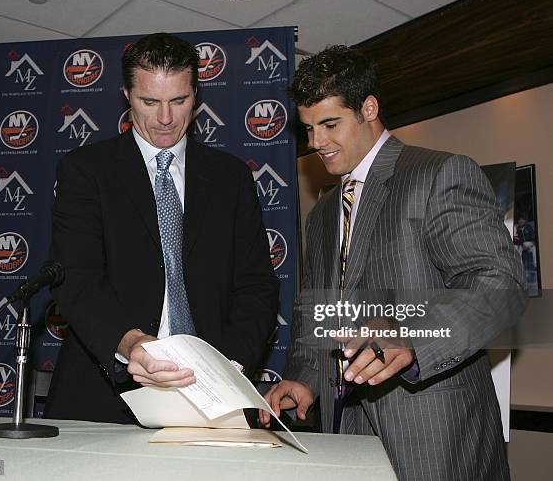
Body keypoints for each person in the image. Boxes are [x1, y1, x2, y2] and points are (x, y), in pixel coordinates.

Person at [260, 45, 526, 481]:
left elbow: (500, 284)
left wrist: (410, 334)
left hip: (435, 432)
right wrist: (304, 377)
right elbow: (319, 310)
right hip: (345, 429)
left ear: (369, 107)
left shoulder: (440, 173)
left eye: (329, 124)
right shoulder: (324, 212)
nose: (316, 143)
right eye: (308, 129)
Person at [45, 33, 278, 424]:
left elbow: (257, 286)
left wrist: (225, 364)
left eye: (179, 100)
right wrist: (131, 343)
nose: (165, 118)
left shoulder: (231, 177)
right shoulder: (86, 171)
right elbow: (78, 280)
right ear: (126, 95)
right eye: (149, 102)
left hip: (213, 395)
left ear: (196, 95)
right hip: (104, 396)